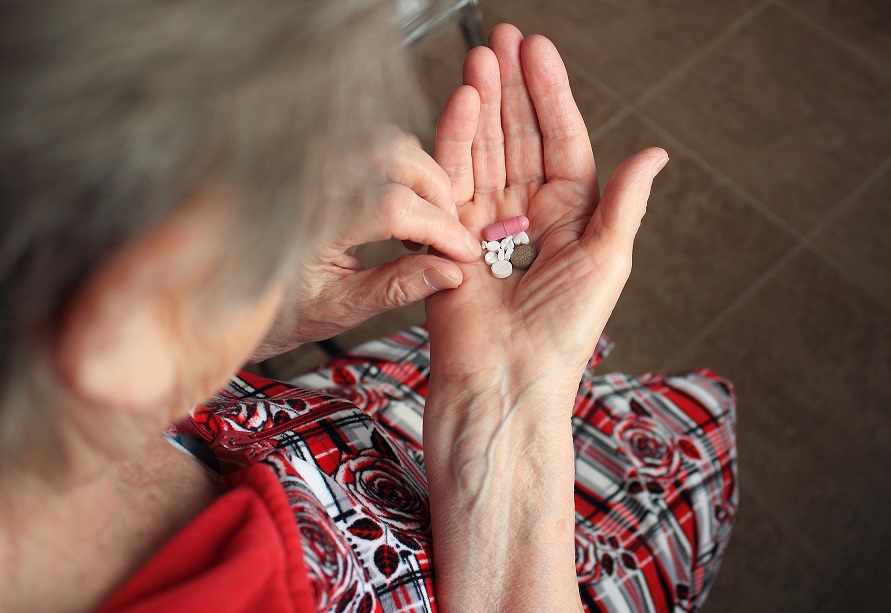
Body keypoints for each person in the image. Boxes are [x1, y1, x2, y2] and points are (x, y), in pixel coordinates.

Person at [0, 1, 737, 611]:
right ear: (121, 322)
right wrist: (510, 409)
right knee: (699, 439)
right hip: (528, 518)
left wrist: (226, 323)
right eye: (282, 207)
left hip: (337, 424)